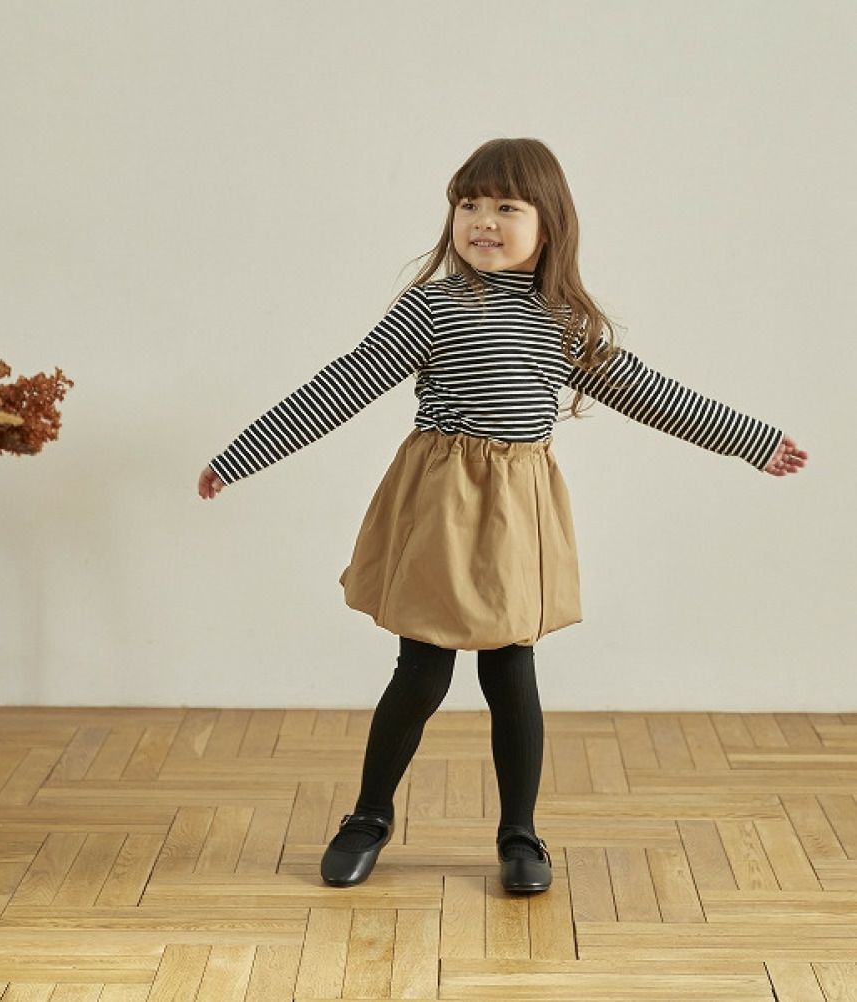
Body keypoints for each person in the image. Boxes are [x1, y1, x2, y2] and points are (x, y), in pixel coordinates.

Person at [197, 138, 808, 894]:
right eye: (469, 204)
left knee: (511, 669)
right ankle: (369, 815)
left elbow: (653, 395)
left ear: (547, 225)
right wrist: (241, 456)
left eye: (506, 207)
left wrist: (752, 441)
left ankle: (521, 833)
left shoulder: (562, 322)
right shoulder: (430, 307)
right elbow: (341, 386)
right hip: (441, 506)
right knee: (421, 669)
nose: (483, 220)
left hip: (518, 514)